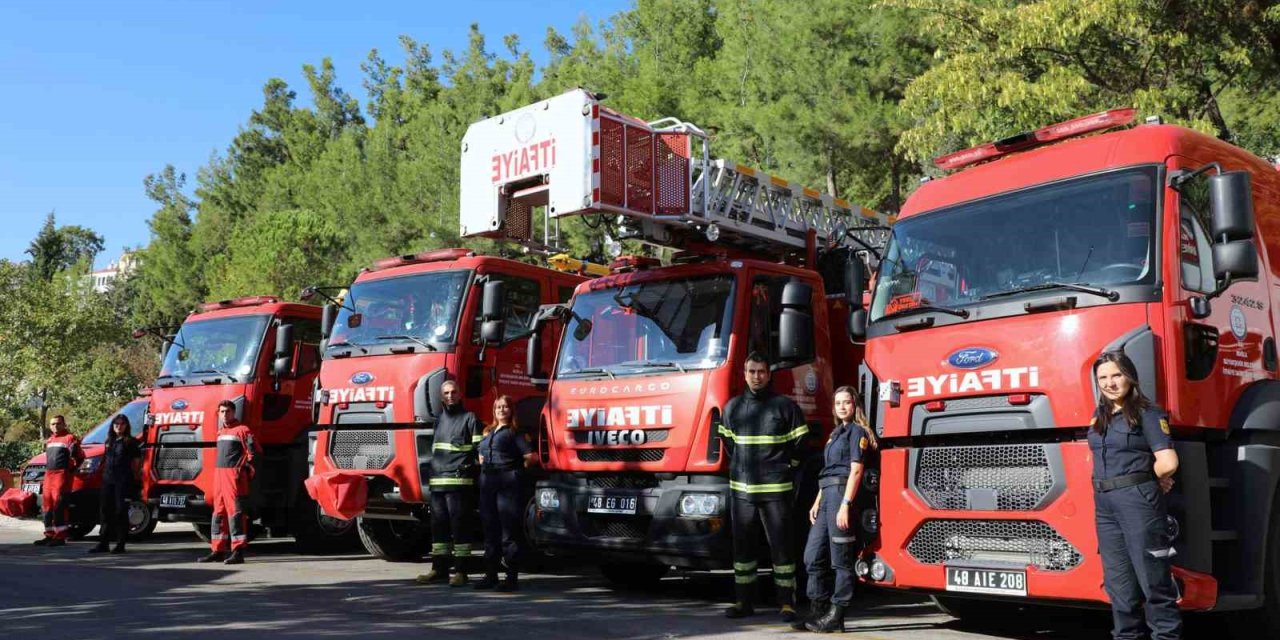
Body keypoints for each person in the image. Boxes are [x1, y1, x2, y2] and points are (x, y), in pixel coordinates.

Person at [1089, 351, 1181, 640]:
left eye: (1116, 375)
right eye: (1103, 377)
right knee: (1119, 585)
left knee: (1153, 581)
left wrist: (1150, 481)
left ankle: (1165, 637)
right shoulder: (1099, 416)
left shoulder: (1148, 413)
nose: (1110, 383)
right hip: (1105, 505)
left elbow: (1168, 462)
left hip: (1136, 500)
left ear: (1130, 376)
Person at [718, 352, 809, 621]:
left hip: (775, 492)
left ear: (769, 374)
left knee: (781, 548)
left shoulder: (785, 407)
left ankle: (787, 604)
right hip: (742, 493)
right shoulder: (732, 408)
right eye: (752, 371)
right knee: (743, 551)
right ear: (744, 374)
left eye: (761, 371)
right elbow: (729, 445)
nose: (756, 376)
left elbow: (801, 445)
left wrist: (784, 468)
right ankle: (743, 603)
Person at [796, 386, 875, 633]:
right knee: (812, 556)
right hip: (827, 493)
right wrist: (817, 501)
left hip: (842, 494)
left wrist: (845, 505)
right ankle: (818, 610)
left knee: (840, 560)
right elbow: (828, 470)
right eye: (838, 403)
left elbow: (856, 470)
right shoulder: (834, 434)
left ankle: (837, 614)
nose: (842, 407)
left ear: (855, 405)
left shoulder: (857, 432)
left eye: (846, 402)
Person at [416, 380, 481, 587]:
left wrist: (468, 467)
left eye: (453, 392)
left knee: (460, 527)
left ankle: (461, 571)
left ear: (460, 394)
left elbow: (479, 451)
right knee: (438, 528)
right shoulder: (439, 420)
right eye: (446, 393)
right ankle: (439, 570)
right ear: (441, 397)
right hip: (438, 484)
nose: (450, 396)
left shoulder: (470, 418)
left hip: (460, 483)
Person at [474, 394, 537, 591]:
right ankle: (490, 575)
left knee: (508, 532)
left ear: (511, 411)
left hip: (507, 484)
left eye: (505, 407)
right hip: (487, 484)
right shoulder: (488, 432)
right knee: (490, 530)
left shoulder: (515, 433)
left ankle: (511, 578)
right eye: (498, 407)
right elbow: (481, 453)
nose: (501, 410)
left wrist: (516, 472)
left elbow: (531, 457)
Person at [198, 400, 260, 565]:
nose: (225, 414)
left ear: (234, 412)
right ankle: (217, 549)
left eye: (228, 411)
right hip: (219, 476)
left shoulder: (243, 430)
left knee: (235, 514)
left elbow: (254, 454)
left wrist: (244, 470)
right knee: (218, 512)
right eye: (222, 411)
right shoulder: (220, 432)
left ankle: (238, 551)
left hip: (234, 477)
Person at [89, 413, 142, 554]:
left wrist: (135, 480)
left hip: (123, 481)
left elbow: (137, 462)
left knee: (121, 512)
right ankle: (103, 543)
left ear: (126, 426)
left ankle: (120, 544)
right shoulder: (109, 441)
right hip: (108, 481)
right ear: (112, 426)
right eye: (116, 424)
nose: (119, 426)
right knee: (105, 512)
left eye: (122, 424)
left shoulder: (130, 442)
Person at [34, 415, 84, 546]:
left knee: (59, 506)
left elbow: (80, 457)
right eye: (52, 424)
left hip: (62, 476)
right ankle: (49, 535)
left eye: (58, 423)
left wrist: (71, 470)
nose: (55, 426)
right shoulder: (50, 440)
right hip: (49, 475)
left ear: (64, 424)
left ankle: (60, 536)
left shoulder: (70, 438)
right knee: (47, 507)